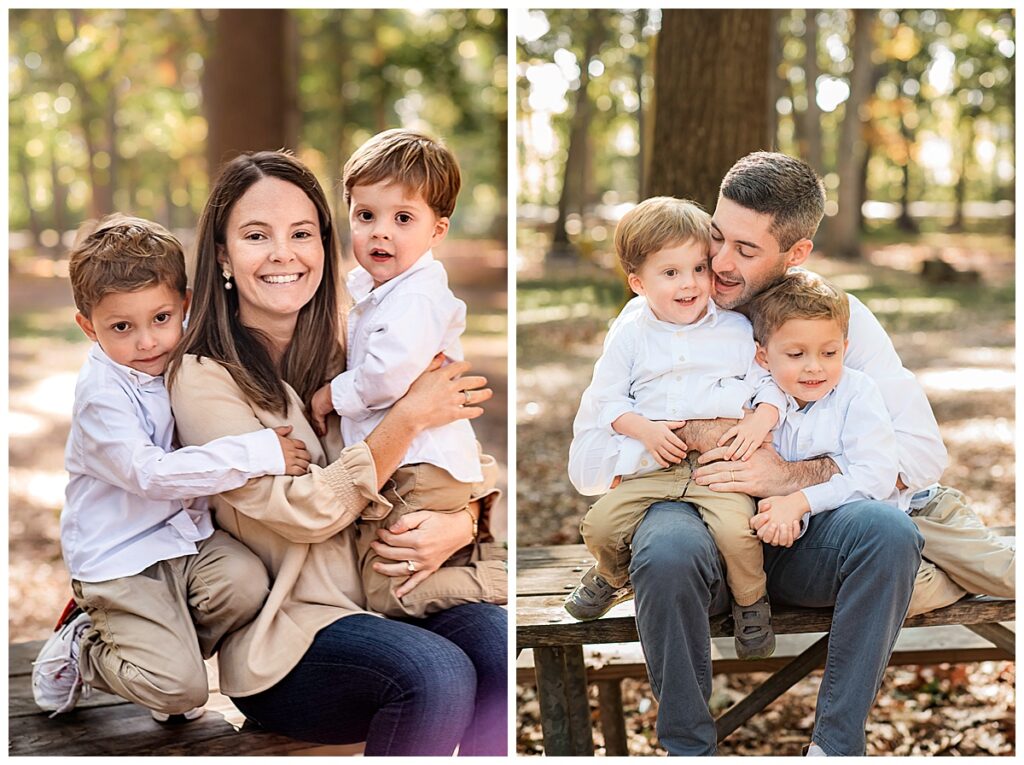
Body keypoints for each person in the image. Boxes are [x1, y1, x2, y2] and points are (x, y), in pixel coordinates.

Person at [569, 152, 1012, 755]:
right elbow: (590, 466)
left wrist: (791, 476)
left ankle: (833, 747)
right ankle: (687, 748)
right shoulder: (654, 319)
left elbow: (922, 456)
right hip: (697, 523)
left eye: (745, 251)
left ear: (795, 253)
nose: (718, 266)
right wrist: (694, 433)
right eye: (717, 237)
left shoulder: (834, 325)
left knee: (886, 530)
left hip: (805, 537)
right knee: (666, 547)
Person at [166, 150, 507, 755]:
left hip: (395, 589)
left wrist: (465, 520)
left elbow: (456, 451)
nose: (283, 253)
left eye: (301, 233)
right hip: (291, 635)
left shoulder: (359, 345)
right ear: (222, 254)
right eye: (255, 235)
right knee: (434, 674)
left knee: (497, 650)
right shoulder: (202, 378)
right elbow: (303, 511)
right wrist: (403, 420)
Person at [32, 216, 312, 721]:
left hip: (185, 537)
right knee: (182, 692)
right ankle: (86, 646)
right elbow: (152, 474)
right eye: (122, 327)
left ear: (184, 304)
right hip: (121, 560)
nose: (147, 343)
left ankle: (163, 647)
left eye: (161, 318)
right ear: (87, 326)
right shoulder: (101, 397)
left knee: (247, 583)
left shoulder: (186, 358)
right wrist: (258, 452)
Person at [565, 197, 785, 660]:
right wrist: (643, 430)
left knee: (738, 533)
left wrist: (763, 416)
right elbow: (606, 398)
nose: (689, 284)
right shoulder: (630, 334)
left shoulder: (734, 330)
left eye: (699, 269)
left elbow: (768, 382)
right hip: (654, 465)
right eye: (671, 274)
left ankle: (751, 604)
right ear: (638, 283)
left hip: (717, 466)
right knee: (601, 525)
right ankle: (611, 575)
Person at [308, 129, 506, 618]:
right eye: (366, 215)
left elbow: (385, 378)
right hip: (409, 467)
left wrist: (330, 396)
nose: (380, 232)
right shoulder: (383, 290)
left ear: (437, 231)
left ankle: (494, 579)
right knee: (394, 572)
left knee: (387, 591)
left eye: (402, 218)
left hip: (417, 473)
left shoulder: (415, 297)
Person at [743, 270, 902, 545]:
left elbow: (876, 474)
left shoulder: (857, 392)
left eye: (829, 353)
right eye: (796, 354)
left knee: (890, 527)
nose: (814, 367)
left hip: (836, 532)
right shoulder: (750, 393)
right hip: (760, 531)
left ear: (844, 347)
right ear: (763, 356)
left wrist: (801, 502)